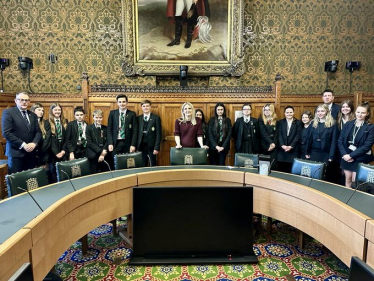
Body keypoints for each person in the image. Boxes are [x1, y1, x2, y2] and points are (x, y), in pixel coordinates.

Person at [1, 92, 42, 174]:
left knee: (31, 180)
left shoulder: (33, 115)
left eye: (26, 100)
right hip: (16, 154)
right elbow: (7, 133)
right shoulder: (8, 113)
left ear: (29, 102)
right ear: (16, 101)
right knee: (16, 182)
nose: (24, 102)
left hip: (31, 154)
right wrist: (23, 145)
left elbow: (38, 132)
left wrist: (34, 143)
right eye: (21, 100)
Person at [338, 102, 374, 187]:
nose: (360, 115)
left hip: (359, 158)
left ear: (367, 113)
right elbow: (340, 141)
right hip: (346, 157)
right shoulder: (348, 124)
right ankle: (347, 199)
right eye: (358, 112)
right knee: (348, 179)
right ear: (355, 112)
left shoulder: (370, 127)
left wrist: (351, 156)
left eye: (363, 113)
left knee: (355, 182)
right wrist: (345, 155)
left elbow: (367, 146)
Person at [44, 103, 68, 183]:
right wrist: (56, 152)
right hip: (53, 152)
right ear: (51, 111)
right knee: (53, 172)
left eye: (59, 110)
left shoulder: (65, 122)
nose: (58, 111)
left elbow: (67, 138)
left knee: (64, 172)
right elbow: (49, 139)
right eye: (55, 110)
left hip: (63, 151)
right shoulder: (47, 122)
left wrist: (63, 151)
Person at [277, 106, 302, 173]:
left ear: (293, 113)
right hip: (282, 151)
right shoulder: (280, 122)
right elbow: (279, 134)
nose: (289, 114)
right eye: (287, 112)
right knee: (281, 171)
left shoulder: (298, 123)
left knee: (291, 171)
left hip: (293, 150)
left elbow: (298, 135)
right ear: (284, 113)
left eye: (291, 112)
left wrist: (291, 146)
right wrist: (282, 145)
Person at [136, 100, 162, 167]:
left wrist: (156, 148)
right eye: (144, 106)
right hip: (141, 146)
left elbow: (158, 134)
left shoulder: (156, 118)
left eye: (147, 106)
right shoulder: (138, 118)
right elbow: (136, 133)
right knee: (142, 165)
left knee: (152, 165)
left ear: (150, 107)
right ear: (141, 107)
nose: (145, 108)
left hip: (152, 147)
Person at [30, 103, 50, 167]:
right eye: (39, 110)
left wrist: (41, 151)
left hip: (43, 152)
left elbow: (47, 138)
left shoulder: (45, 122)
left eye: (42, 111)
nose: (41, 112)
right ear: (33, 110)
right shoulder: (28, 122)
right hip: (31, 152)